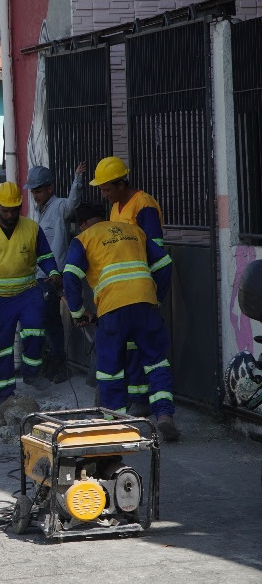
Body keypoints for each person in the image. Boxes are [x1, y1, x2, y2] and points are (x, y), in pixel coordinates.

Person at [62, 203, 179, 441]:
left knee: (110, 370)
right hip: (145, 303)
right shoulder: (133, 231)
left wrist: (77, 312)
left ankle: (118, 425)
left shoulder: (84, 239)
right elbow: (164, 263)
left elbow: (70, 274)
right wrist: (156, 298)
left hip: (113, 309)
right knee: (156, 362)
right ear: (104, 217)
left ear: (83, 224)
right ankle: (165, 416)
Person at [0, 182, 61, 403]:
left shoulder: (32, 228)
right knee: (0, 348)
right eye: (5, 210)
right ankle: (4, 393)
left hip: (27, 293)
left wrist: (53, 272)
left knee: (35, 330)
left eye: (14, 210)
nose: (10, 215)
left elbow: (45, 256)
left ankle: (31, 372)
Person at [90, 156, 164, 415]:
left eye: (107, 188)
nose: (104, 193)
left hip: (141, 290)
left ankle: (144, 402)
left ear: (122, 184)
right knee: (129, 349)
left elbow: (156, 250)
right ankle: (136, 400)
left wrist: (156, 294)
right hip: (122, 292)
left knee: (143, 350)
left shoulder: (143, 205)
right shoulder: (116, 207)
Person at [24, 162, 85, 382]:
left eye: (38, 190)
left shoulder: (59, 206)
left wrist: (77, 180)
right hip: (39, 276)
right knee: (48, 320)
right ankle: (54, 362)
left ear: (49, 188)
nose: (35, 195)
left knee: (49, 320)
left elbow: (72, 204)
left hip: (53, 275)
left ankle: (58, 362)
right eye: (33, 191)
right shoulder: (36, 214)